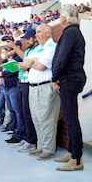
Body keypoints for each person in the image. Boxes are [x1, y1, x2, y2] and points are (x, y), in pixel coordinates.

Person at [51, 4, 87, 171]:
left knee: (72, 120)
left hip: (69, 79)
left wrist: (54, 77)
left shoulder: (71, 32)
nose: (59, 17)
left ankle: (76, 159)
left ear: (65, 17)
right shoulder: (72, 32)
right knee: (70, 117)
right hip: (71, 78)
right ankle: (72, 151)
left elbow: (61, 58)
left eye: (60, 14)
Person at [23, 23, 60, 160]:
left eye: (39, 32)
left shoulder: (52, 47)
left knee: (47, 120)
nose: (36, 35)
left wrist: (32, 61)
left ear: (47, 33)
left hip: (45, 87)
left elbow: (40, 66)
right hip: (33, 87)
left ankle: (49, 149)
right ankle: (41, 146)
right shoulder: (39, 48)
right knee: (37, 119)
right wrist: (33, 60)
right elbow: (26, 62)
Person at [14, 30, 39, 152]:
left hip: (29, 83)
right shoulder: (28, 50)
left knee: (28, 113)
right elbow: (25, 60)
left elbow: (28, 63)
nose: (26, 41)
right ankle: (26, 137)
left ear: (35, 38)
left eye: (28, 39)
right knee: (22, 112)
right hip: (20, 82)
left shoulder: (38, 49)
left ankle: (32, 140)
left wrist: (14, 47)